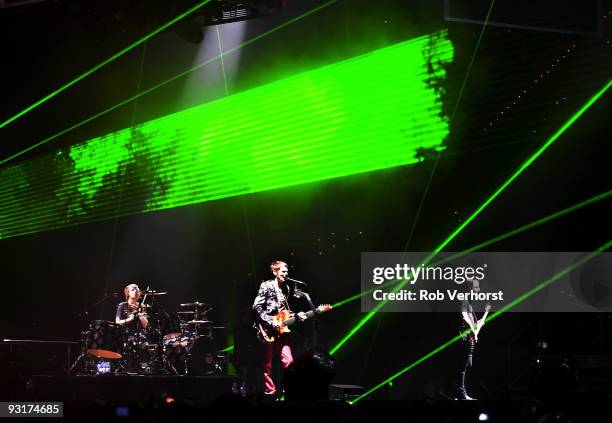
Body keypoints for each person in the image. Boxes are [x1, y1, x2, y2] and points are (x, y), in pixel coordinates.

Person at [253, 260, 306, 397]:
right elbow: (257, 307)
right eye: (283, 271)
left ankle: (289, 390)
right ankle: (269, 392)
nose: (286, 274)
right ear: (275, 272)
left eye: (287, 272)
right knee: (267, 364)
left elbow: (284, 312)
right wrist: (270, 322)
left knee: (289, 362)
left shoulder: (286, 289)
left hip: (282, 332)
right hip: (267, 330)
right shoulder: (266, 285)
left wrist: (297, 315)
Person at [456, 278, 488, 400]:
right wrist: (473, 332)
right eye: (476, 287)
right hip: (464, 340)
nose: (478, 289)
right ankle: (460, 394)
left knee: (466, 366)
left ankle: (459, 392)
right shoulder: (463, 301)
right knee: (462, 367)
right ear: (469, 288)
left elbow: (472, 323)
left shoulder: (468, 304)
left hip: (469, 340)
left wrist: (484, 315)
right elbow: (464, 318)